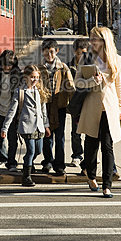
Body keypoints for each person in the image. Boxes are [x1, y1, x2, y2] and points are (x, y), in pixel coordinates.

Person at [75, 26, 121, 198]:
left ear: (104, 40)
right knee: (91, 145)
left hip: (109, 108)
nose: (91, 41)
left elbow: (119, 86)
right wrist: (92, 82)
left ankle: (107, 186)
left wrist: (120, 107)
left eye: (94, 38)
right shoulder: (86, 58)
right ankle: (91, 176)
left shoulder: (116, 60)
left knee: (108, 147)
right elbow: (77, 82)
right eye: (91, 38)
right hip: (91, 106)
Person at [1, 65, 51, 187]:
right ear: (26, 77)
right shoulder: (20, 92)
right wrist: (4, 128)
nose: (35, 80)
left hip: (39, 126)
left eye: (37, 77)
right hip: (26, 126)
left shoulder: (39, 91)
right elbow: (12, 111)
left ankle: (27, 163)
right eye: (32, 77)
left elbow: (43, 110)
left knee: (38, 150)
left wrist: (46, 125)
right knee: (31, 150)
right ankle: (26, 176)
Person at [39, 38, 75, 175]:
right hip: (45, 107)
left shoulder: (63, 68)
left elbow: (70, 87)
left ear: (57, 51)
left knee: (59, 137)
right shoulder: (39, 68)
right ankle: (48, 161)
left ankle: (59, 165)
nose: (50, 56)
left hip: (59, 106)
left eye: (52, 52)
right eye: (47, 53)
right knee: (46, 136)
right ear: (42, 52)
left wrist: (74, 106)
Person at [0, 49, 22, 171]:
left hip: (12, 113)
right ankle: (2, 158)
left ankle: (11, 162)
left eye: (9, 65)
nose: (6, 67)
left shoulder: (18, 76)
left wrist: (19, 115)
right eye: (4, 64)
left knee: (12, 138)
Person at [67, 37, 91, 172]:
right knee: (75, 132)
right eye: (79, 53)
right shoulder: (69, 66)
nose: (81, 56)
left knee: (89, 131)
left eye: (84, 53)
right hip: (75, 103)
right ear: (74, 52)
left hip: (87, 103)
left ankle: (89, 154)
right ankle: (77, 154)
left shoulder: (91, 66)